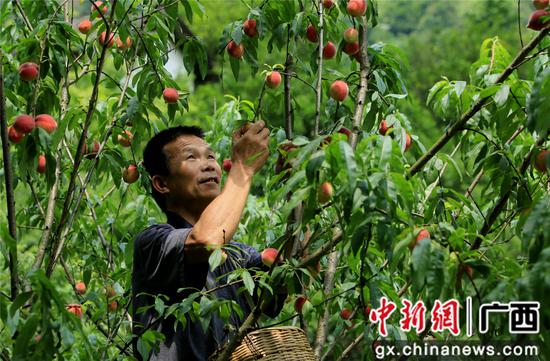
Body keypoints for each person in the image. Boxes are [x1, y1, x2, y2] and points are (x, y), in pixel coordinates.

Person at [132, 122, 285, 361]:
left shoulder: (239, 256)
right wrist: (242, 169)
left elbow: (290, 275)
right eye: (191, 157)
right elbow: (205, 241)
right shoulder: (153, 241)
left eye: (211, 156)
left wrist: (301, 187)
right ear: (162, 184)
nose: (209, 164)